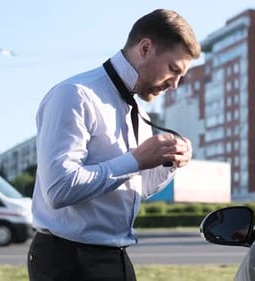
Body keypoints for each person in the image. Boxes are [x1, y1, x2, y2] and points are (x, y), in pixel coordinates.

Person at [27, 9, 201, 281]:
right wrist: (136, 160)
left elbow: (135, 189)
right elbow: (59, 189)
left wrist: (169, 162)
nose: (175, 84)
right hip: (68, 262)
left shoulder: (139, 112)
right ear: (145, 48)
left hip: (113, 256)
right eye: (173, 69)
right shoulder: (75, 95)